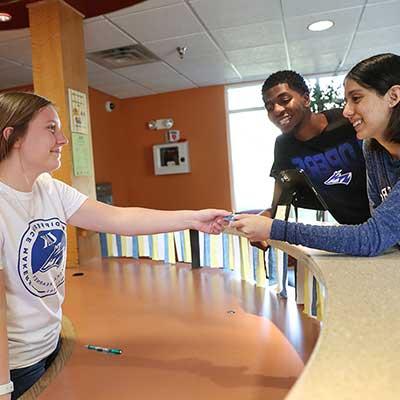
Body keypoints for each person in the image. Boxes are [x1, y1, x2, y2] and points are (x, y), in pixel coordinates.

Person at [0, 92, 229, 400]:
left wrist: (192, 218)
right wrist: (3, 388)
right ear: (13, 136)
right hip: (15, 365)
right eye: (51, 128)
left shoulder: (50, 189)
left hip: (50, 344)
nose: (63, 139)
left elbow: (120, 219)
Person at [231, 53, 400, 257]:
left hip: (373, 238)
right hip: (372, 241)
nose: (348, 111)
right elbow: (282, 195)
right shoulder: (371, 147)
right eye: (269, 107)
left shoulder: (352, 129)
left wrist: (273, 229)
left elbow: (372, 236)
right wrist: (265, 219)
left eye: (356, 99)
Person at [261, 70, 370, 225]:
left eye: (284, 100)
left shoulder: (346, 122)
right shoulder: (283, 146)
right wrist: (263, 219)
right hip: (339, 233)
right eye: (269, 107)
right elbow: (279, 204)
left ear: (306, 99)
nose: (277, 110)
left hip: (381, 223)